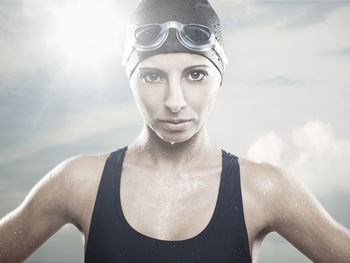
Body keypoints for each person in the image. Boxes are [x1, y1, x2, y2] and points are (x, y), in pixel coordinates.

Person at [1, 0, 350, 262]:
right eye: (153, 76)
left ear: (219, 75)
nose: (175, 101)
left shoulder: (263, 189)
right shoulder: (79, 183)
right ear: (130, 77)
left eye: (195, 74)